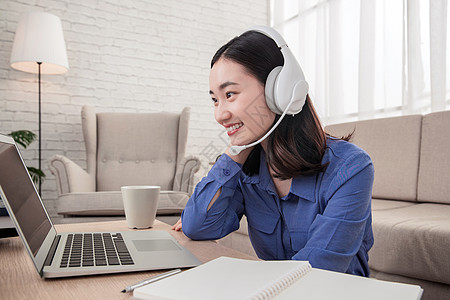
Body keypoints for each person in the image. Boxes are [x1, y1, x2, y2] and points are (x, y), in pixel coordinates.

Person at [172, 27, 374, 277]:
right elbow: (197, 226)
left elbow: (318, 270)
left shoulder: (351, 167)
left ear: (280, 91)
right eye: (215, 99)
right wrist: (236, 150)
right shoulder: (247, 172)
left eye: (230, 94)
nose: (219, 115)